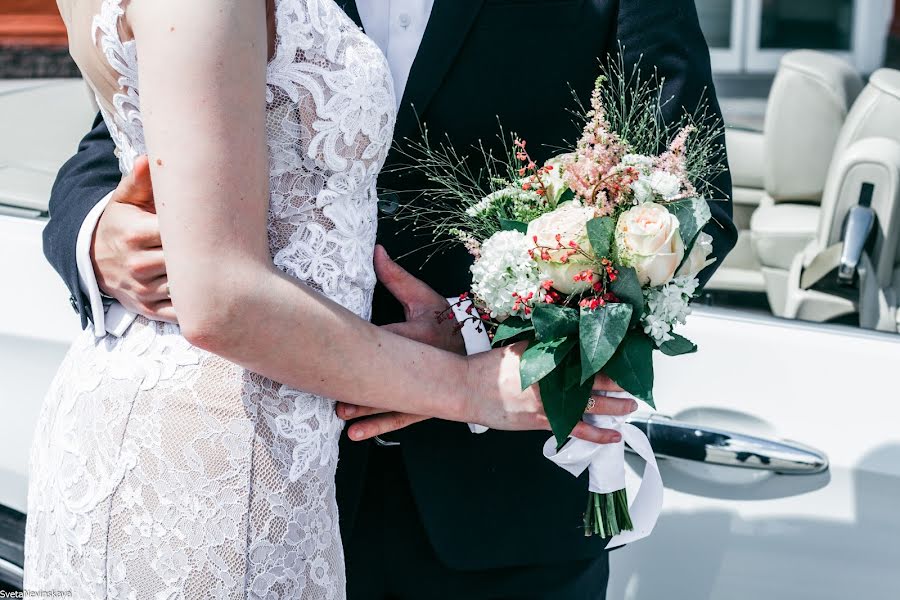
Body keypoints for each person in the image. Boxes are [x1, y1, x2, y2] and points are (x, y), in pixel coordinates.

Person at [34, 1, 737, 598]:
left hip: (494, 509)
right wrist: (93, 238)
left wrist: (477, 326)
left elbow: (687, 194)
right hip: (243, 463)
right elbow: (125, 133)